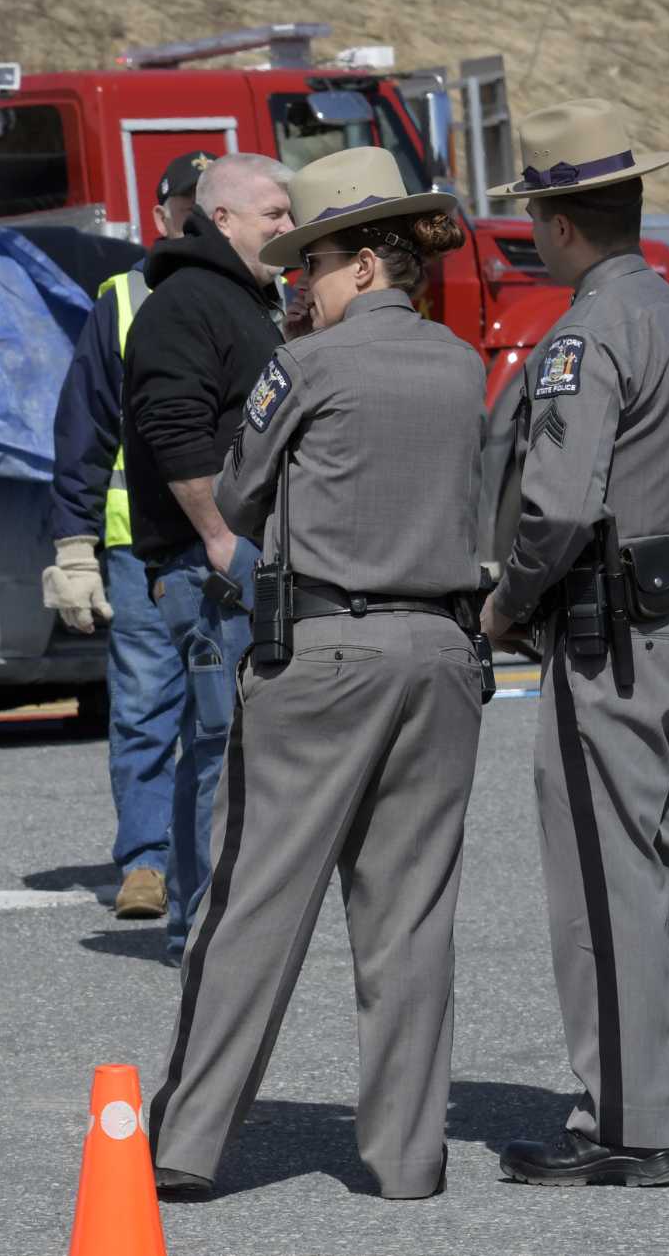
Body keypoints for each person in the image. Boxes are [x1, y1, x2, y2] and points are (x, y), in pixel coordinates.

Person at [147, 147, 490, 1201]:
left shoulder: (306, 365)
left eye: (317, 265)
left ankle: (188, 1138)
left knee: (254, 897)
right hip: (441, 653)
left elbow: (237, 493)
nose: (301, 284)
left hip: (327, 648)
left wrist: (294, 362)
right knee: (408, 917)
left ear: (365, 265)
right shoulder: (460, 363)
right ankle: (406, 1156)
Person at [479, 99, 669, 1185]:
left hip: (607, 635)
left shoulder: (585, 332)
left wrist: (508, 602)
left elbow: (553, 506)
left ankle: (626, 1122)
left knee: (605, 877)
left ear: (558, 224)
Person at [120, 152, 292, 965]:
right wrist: (222, 540)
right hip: (207, 563)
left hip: (233, 557)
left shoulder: (246, 301)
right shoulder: (185, 303)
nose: (290, 228)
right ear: (221, 220)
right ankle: (203, 932)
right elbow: (174, 428)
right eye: (275, 215)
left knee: (234, 747)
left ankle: (217, 924)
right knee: (223, 750)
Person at [43, 150, 215, 921]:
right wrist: (72, 546)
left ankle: (212, 857)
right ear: (159, 217)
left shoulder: (268, 291)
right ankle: (146, 861)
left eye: (210, 204)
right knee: (146, 705)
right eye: (186, 205)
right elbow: (83, 430)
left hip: (233, 540)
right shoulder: (123, 299)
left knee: (226, 712)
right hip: (138, 545)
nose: (198, 217)